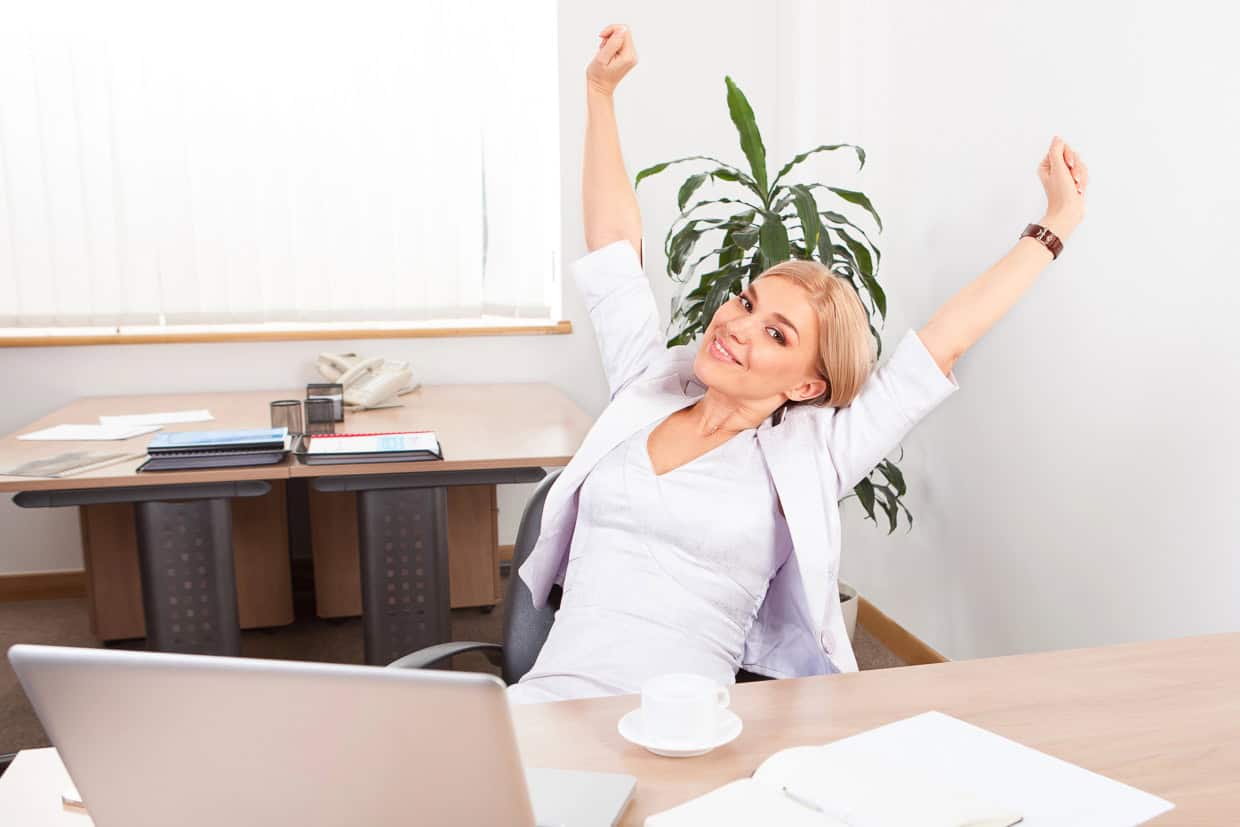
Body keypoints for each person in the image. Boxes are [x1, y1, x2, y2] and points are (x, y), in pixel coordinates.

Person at [507, 24, 1089, 704]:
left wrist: (1056, 225)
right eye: (747, 303)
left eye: (777, 334)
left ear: (810, 383)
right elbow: (613, 250)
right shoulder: (649, 384)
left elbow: (940, 344)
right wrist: (599, 92)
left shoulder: (815, 454)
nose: (736, 325)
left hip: (688, 733)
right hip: (549, 707)